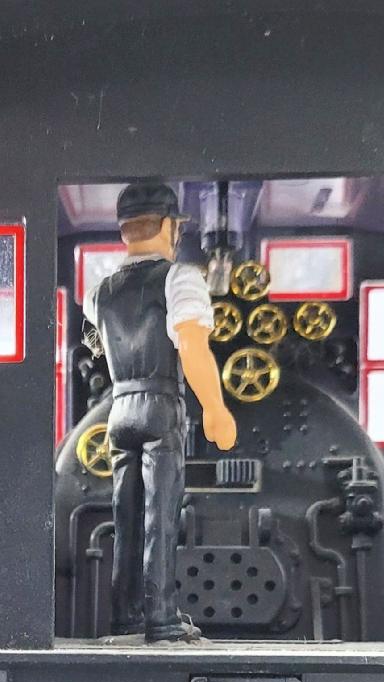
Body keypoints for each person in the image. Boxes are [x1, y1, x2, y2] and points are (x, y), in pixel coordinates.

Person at [83, 181, 237, 642]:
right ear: (170, 227)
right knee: (161, 516)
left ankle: (126, 615)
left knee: (125, 518)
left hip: (118, 410)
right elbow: (191, 345)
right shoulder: (178, 278)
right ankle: (162, 619)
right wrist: (215, 408)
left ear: (125, 231)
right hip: (159, 404)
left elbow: (96, 343)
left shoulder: (99, 291)